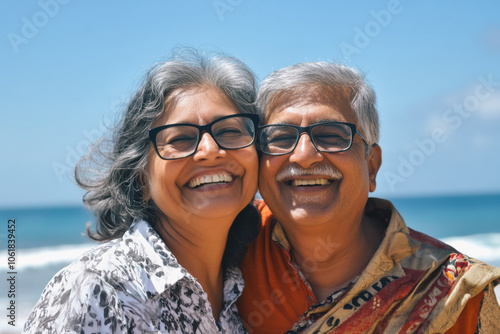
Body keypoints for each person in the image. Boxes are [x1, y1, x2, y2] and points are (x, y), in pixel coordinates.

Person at [237, 62, 500, 333]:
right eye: (280, 137)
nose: (304, 156)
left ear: (371, 166)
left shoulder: (455, 293)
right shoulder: (231, 246)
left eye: (330, 135)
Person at [23, 49, 261, 333]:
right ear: (140, 179)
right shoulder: (101, 289)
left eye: (230, 131)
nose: (210, 151)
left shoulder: (248, 288)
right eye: (181, 138)